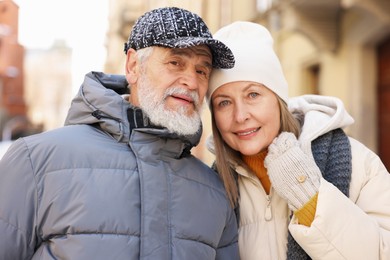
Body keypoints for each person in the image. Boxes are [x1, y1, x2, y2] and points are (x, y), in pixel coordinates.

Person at [0, 7, 239, 259]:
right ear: (133, 65)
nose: (191, 81)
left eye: (202, 70)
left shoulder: (215, 191)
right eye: (175, 62)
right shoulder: (36, 161)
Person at [206, 21, 390, 260]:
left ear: (278, 99)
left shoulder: (360, 164)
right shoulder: (210, 187)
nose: (240, 116)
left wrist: (309, 198)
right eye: (224, 102)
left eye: (253, 94)